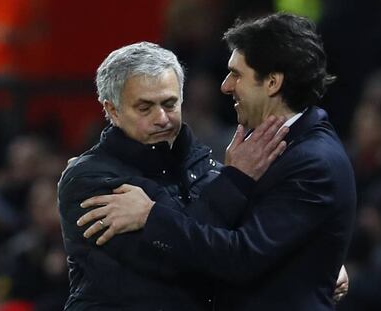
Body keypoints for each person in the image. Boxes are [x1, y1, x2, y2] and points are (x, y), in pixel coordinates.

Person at [78, 13, 355, 311]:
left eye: (237, 74)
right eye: (145, 106)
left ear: (272, 82)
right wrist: (316, 260)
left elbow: (241, 256)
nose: (225, 86)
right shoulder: (267, 146)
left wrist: (151, 216)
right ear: (113, 110)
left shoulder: (313, 160)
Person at [57, 41, 289, 310]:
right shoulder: (88, 180)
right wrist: (234, 182)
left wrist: (316, 266)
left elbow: (247, 246)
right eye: (145, 108)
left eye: (170, 104)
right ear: (112, 111)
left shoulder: (208, 168)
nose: (162, 118)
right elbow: (171, 262)